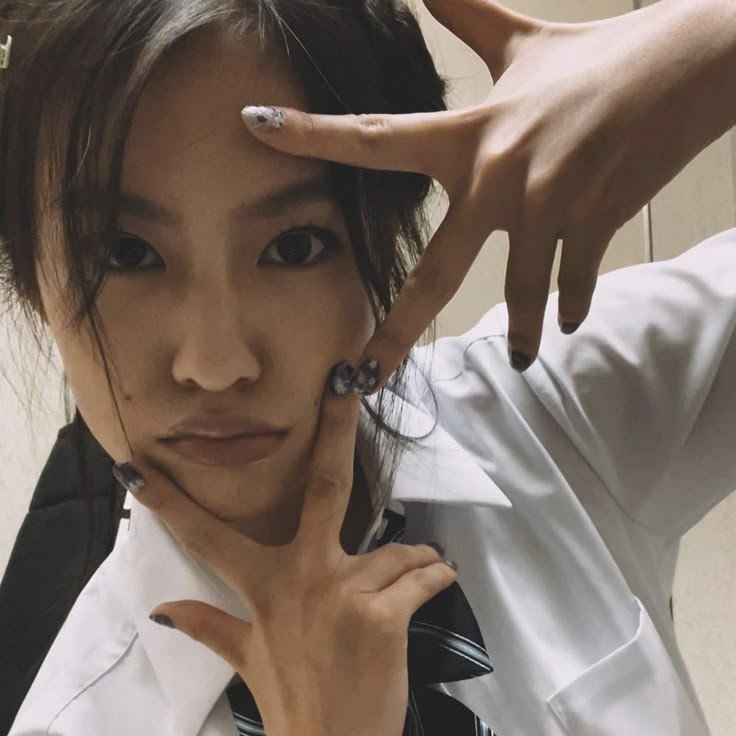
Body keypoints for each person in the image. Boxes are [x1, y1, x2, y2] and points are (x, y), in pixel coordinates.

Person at [1, 0, 735, 733]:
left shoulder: (556, 410)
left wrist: (698, 55)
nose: (216, 365)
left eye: (294, 247)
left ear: (386, 239)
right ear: (31, 277)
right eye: (125, 254)